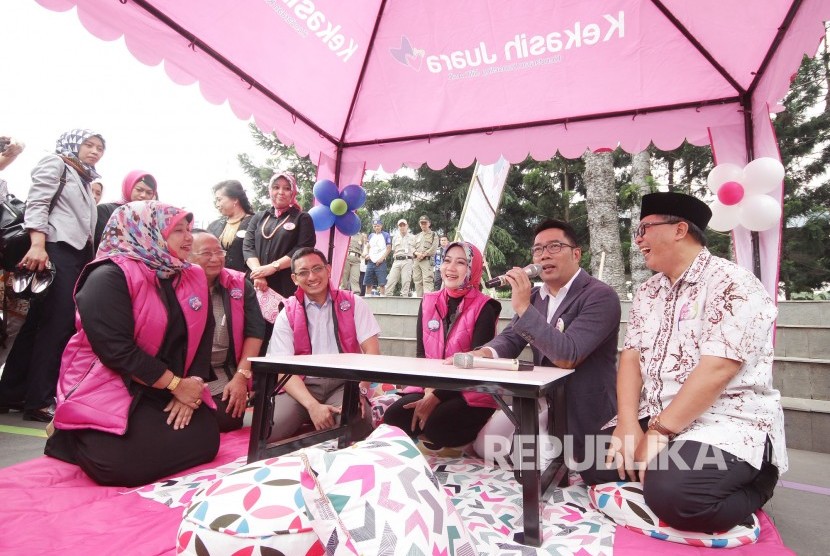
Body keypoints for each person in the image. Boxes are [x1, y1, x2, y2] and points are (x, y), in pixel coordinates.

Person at [595, 192, 786, 533]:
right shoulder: (648, 291)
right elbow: (631, 356)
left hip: (722, 419)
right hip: (654, 411)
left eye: (644, 228)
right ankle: (668, 469)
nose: (637, 239)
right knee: (591, 458)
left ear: (679, 229)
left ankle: (760, 481)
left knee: (674, 496)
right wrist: (627, 423)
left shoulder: (733, 283)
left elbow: (718, 368)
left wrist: (658, 432)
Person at [45, 201, 219, 487]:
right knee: (118, 465)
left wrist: (192, 384)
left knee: (207, 440)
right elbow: (116, 351)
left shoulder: (191, 274)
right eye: (177, 229)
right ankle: (69, 436)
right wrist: (177, 385)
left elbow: (204, 333)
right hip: (113, 385)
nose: (189, 236)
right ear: (145, 231)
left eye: (188, 228)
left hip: (164, 385)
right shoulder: (108, 276)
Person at [465, 219, 621, 479]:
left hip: (582, 406)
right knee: (485, 446)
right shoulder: (537, 297)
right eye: (538, 249)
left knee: (547, 472)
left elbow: (567, 356)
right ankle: (545, 444)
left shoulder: (599, 296)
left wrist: (524, 308)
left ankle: (564, 455)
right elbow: (511, 340)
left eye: (554, 246)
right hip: (543, 400)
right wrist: (482, 354)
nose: (544, 254)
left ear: (576, 253)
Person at [0, 129, 105, 422]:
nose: (95, 151)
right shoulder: (56, 163)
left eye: (100, 147)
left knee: (38, 323)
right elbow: (38, 203)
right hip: (54, 249)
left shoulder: (83, 177)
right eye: (89, 144)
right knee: (57, 325)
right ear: (72, 144)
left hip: (73, 254)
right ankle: (39, 400)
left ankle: (10, 393)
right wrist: (37, 245)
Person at [382, 241, 502, 448]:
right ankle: (432, 422)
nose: (451, 268)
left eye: (461, 263)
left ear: (473, 269)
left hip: (470, 388)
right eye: (447, 261)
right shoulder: (429, 301)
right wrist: (429, 391)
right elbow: (421, 356)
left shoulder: (485, 307)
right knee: (394, 418)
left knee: (438, 426)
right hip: (430, 385)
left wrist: (436, 397)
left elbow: (476, 366)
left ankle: (476, 427)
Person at [267, 247, 377, 442]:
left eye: (317, 268)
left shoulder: (353, 303)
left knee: (354, 425)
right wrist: (312, 406)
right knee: (269, 430)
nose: (312, 277)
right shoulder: (288, 313)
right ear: (294, 278)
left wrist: (359, 390)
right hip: (303, 385)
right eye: (303, 272)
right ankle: (312, 414)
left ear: (328, 269)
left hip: (344, 383)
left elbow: (372, 352)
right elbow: (281, 369)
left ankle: (331, 418)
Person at [190, 230, 265, 432]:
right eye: (206, 253)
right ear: (188, 254)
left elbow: (255, 332)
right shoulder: (177, 283)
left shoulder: (239, 284)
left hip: (222, 370)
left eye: (219, 252)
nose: (215, 259)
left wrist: (241, 377)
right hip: (185, 372)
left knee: (229, 417)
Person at [243, 171, 315, 299]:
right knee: (254, 318)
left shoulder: (301, 218)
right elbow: (248, 247)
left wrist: (273, 267)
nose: (281, 192)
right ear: (270, 190)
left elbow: (303, 249)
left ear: (293, 192)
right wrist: (259, 274)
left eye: (287, 188)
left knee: (284, 317)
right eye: (276, 187)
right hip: (257, 283)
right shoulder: (258, 217)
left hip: (286, 284)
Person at [95, 170, 157, 250]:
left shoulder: (150, 220)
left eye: (149, 193)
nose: (143, 195)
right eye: (139, 190)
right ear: (128, 187)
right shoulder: (106, 210)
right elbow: (98, 244)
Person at [207, 180, 255, 273]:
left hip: (246, 281)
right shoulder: (214, 226)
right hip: (218, 280)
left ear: (235, 199)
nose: (217, 204)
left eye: (219, 199)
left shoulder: (255, 222)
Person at [385, 218, 417, 296]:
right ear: (398, 227)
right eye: (400, 225)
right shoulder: (395, 237)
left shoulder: (413, 237)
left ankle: (404, 297)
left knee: (406, 281)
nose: (402, 227)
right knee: (391, 280)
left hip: (407, 260)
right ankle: (387, 298)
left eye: (404, 225)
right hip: (396, 260)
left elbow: (415, 250)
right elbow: (394, 250)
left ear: (407, 226)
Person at [412, 215, 439, 297]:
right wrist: (417, 253)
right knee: (417, 280)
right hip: (417, 261)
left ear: (429, 223)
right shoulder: (417, 236)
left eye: (425, 223)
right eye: (421, 223)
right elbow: (412, 247)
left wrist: (423, 254)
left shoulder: (434, 235)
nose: (423, 225)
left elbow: (434, 248)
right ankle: (419, 300)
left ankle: (428, 300)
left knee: (427, 280)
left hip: (427, 260)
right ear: (419, 224)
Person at [363, 219, 391, 296]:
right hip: (371, 261)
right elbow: (367, 246)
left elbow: (389, 248)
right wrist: (366, 254)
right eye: (375, 226)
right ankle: (368, 298)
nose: (376, 227)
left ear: (381, 226)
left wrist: (381, 259)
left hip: (381, 262)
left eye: (378, 226)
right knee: (368, 282)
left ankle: (382, 298)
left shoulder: (386, 235)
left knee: (382, 283)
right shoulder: (371, 235)